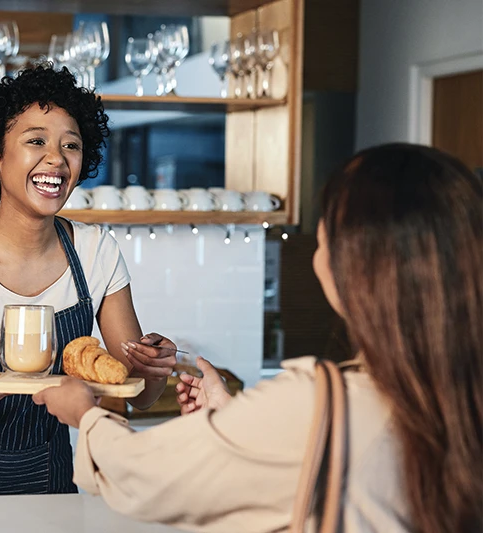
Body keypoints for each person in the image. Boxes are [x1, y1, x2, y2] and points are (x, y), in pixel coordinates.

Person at [34, 143, 483, 532]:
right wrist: (231, 418)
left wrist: (85, 416)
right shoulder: (456, 393)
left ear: (358, 268)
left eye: (328, 228)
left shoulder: (318, 401)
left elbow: (143, 474)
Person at [0, 66, 178, 497]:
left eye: (71, 145)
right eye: (36, 141)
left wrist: (154, 368)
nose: (57, 159)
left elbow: (134, 395)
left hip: (48, 481)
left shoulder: (95, 252)